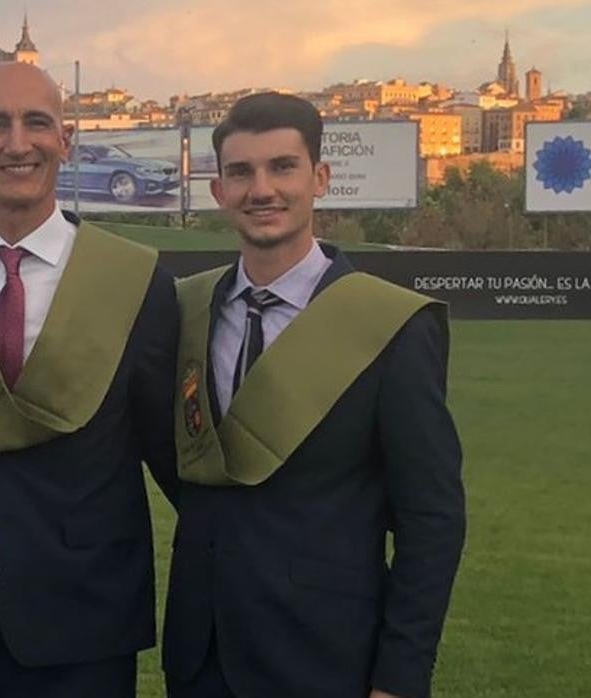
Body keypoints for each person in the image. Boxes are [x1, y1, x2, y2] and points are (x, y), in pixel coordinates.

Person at [161, 92, 466, 698]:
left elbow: (431, 517)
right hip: (202, 654)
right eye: (241, 172)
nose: (261, 189)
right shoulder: (183, 312)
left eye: (282, 167)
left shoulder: (390, 326)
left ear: (319, 178)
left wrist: (401, 677)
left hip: (328, 654)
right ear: (219, 191)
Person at [0, 62, 180, 697]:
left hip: (84, 618)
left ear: (66, 139)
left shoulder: (135, 283)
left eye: (37, 123)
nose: (17, 143)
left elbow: (173, 455)